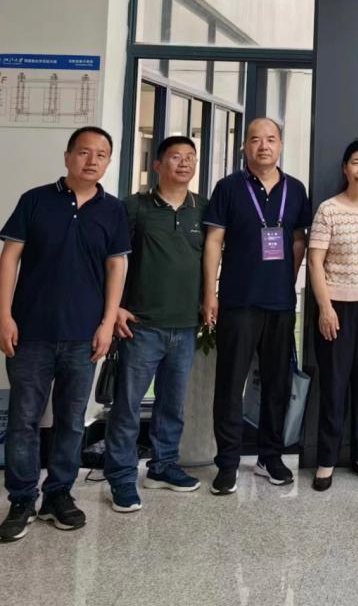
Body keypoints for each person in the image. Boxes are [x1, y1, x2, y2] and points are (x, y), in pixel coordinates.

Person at [0, 127, 130, 542]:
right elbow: (10, 257)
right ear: (68, 156)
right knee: (23, 420)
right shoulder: (35, 200)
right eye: (84, 152)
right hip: (30, 332)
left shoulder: (113, 210)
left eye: (101, 154)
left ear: (108, 162)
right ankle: (22, 499)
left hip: (83, 336)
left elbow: (117, 266)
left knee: (72, 421)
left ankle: (58, 494)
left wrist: (107, 323)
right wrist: (4, 315)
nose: (92, 161)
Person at [202, 118, 312, 495]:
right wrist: (210, 293)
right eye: (255, 139)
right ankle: (227, 462)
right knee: (230, 384)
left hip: (280, 303)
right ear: (244, 146)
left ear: (281, 145)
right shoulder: (229, 187)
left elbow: (298, 240)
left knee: (277, 384)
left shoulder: (295, 189)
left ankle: (270, 456)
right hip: (238, 300)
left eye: (270, 139)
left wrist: (286, 280)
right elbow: (214, 241)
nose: (263, 146)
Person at [104, 136, 208, 512]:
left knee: (172, 404)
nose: (184, 163)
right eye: (176, 157)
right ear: (158, 165)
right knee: (127, 406)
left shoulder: (203, 209)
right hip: (140, 325)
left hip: (185, 325)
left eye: (190, 157)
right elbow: (111, 259)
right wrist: (115, 308)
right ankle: (120, 477)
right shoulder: (133, 207)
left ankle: (163, 467)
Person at [307, 138, 358, 491]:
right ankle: (326, 459)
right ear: (345, 168)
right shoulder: (328, 210)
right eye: (355, 162)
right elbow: (315, 261)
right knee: (334, 385)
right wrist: (325, 308)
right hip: (336, 308)